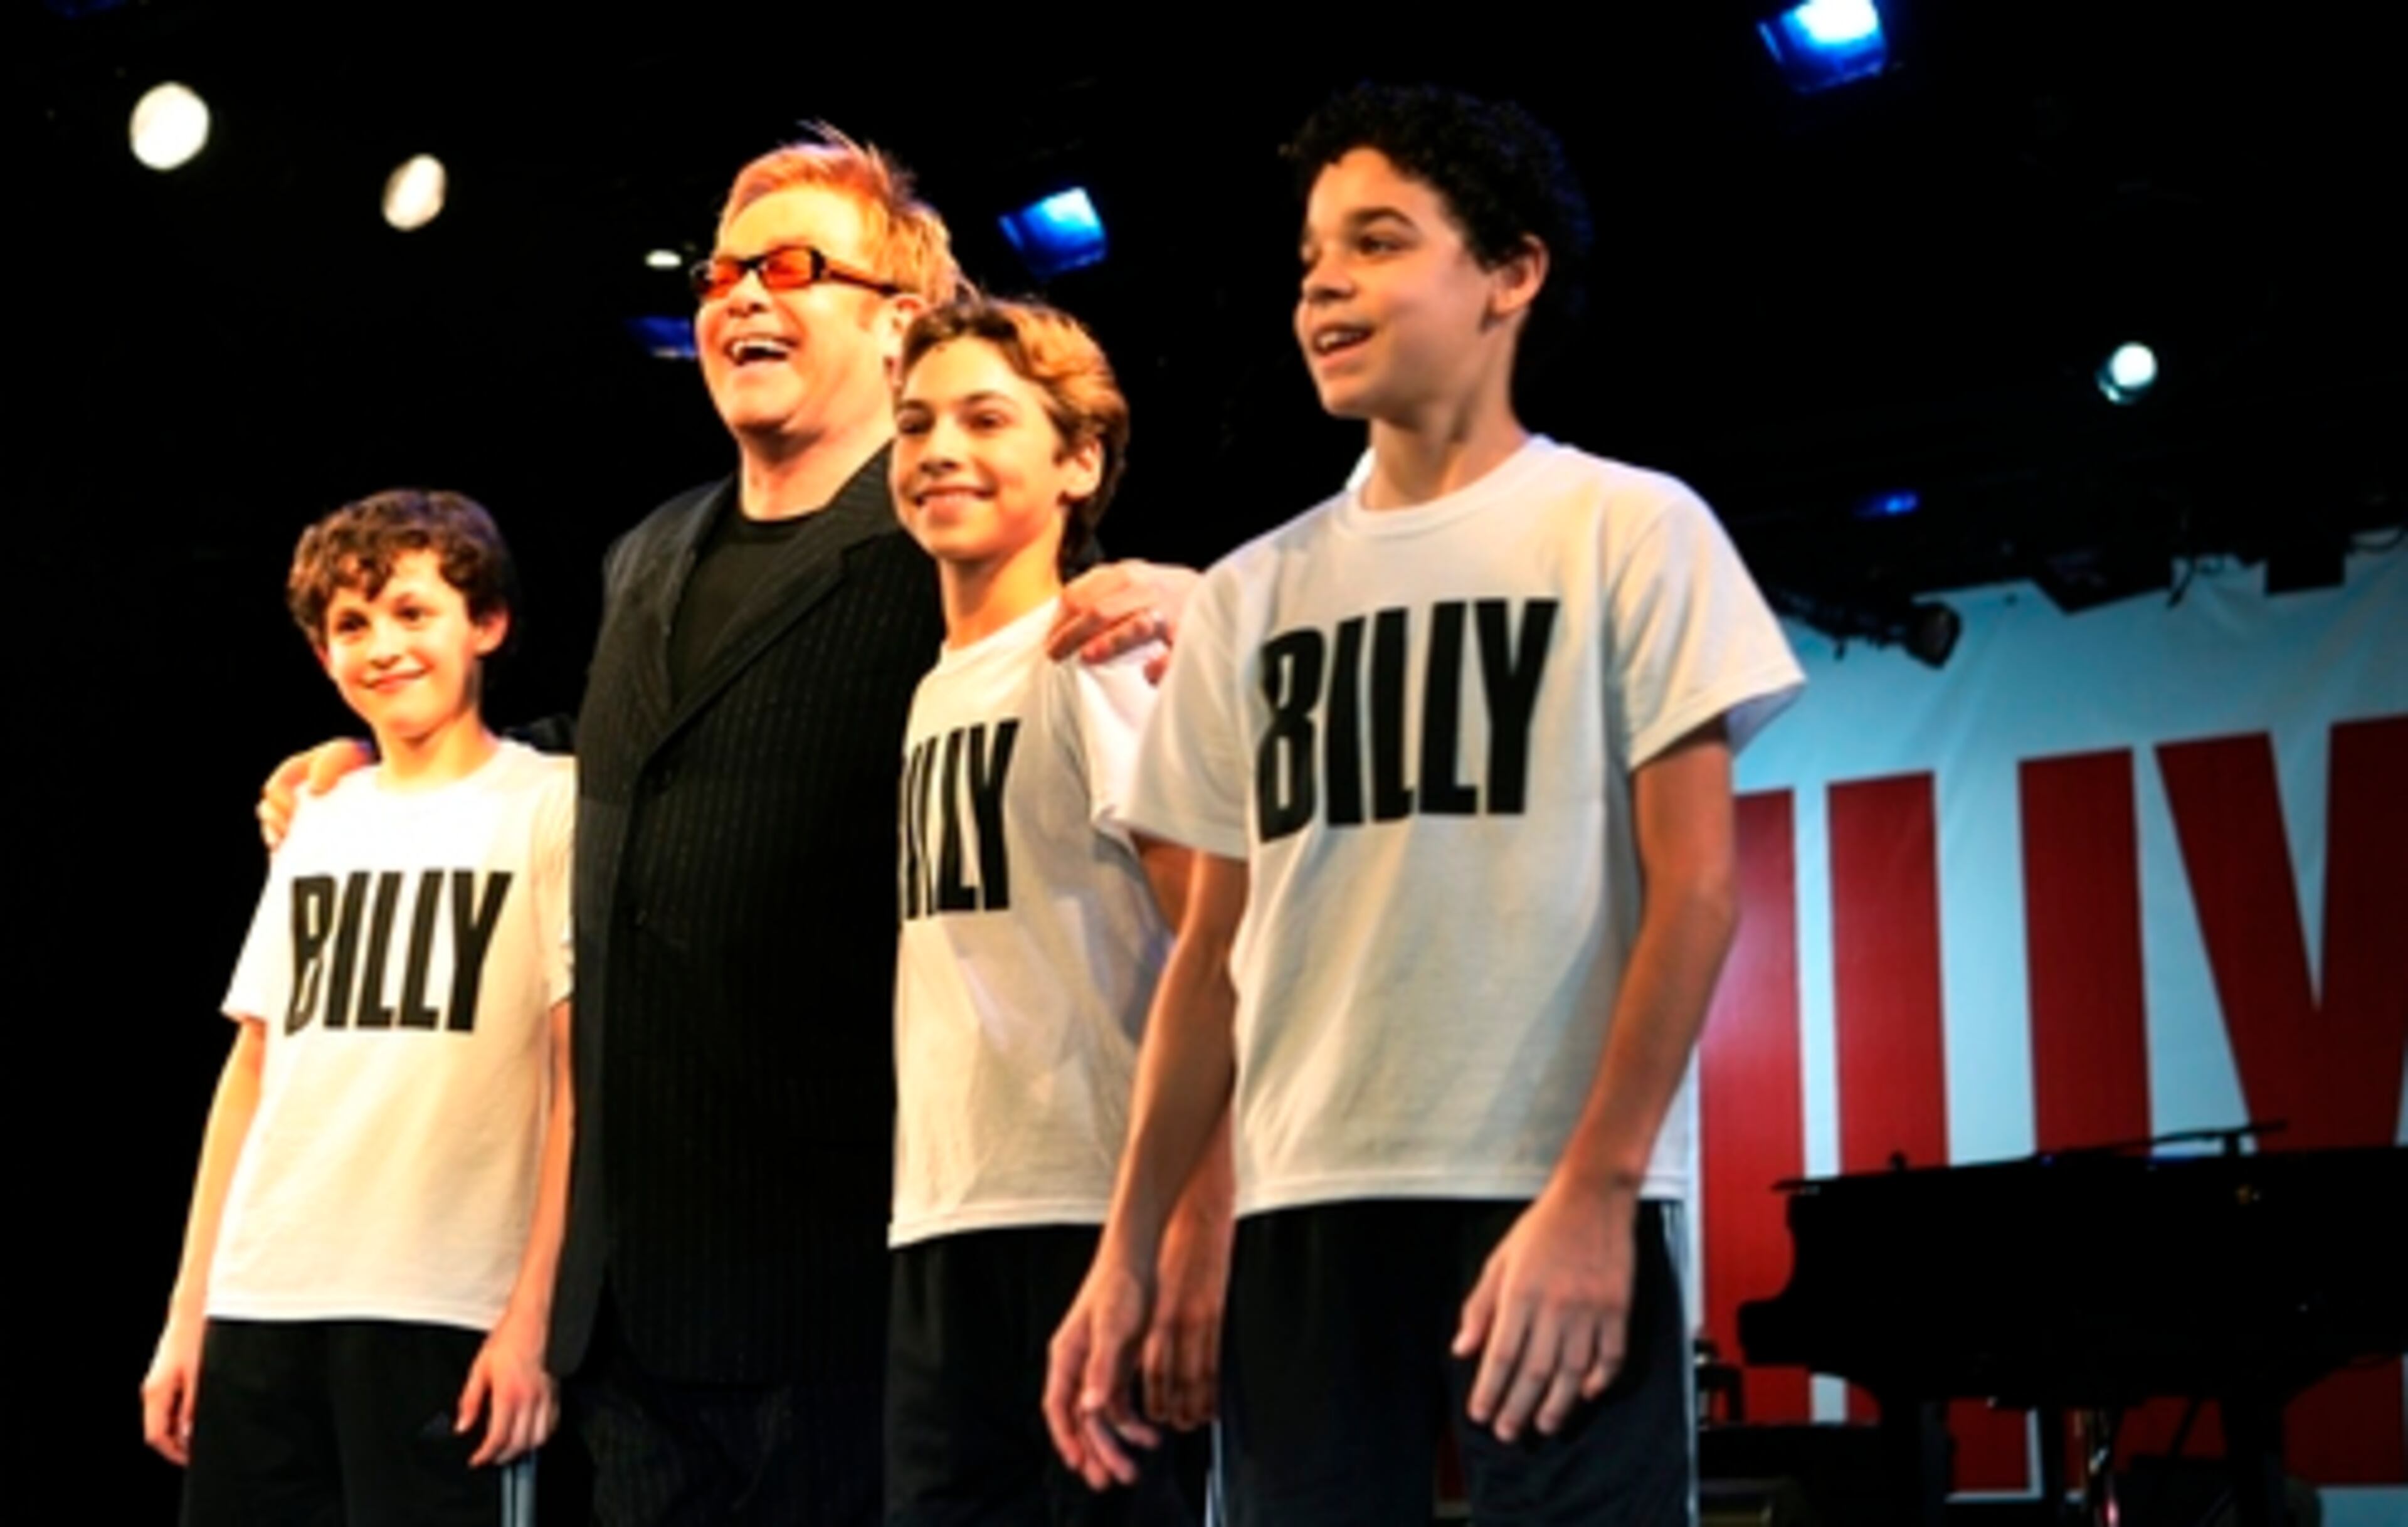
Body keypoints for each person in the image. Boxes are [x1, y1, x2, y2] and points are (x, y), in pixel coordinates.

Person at [265, 128, 1190, 1527]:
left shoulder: (949, 546)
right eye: (722, 270)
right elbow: (616, 769)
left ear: (903, 331)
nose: (741, 295)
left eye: (795, 266)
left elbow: (1090, 641)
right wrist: (391, 754)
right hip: (638, 1300)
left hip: (850, 1272)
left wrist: (1203, 600)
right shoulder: (648, 553)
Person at [1043, 84, 1805, 1526]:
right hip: (1300, 1211)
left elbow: (1696, 890)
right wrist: (1129, 1248)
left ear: (1511, 273)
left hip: (1549, 1185)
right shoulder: (1254, 593)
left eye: (1380, 241)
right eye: (1313, 255)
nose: (1325, 279)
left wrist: (1597, 1192)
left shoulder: (1630, 530)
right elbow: (1208, 958)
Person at [144, 488, 576, 1527]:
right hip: (265, 1299)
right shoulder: (319, 817)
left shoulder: (555, 805)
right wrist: (188, 1313)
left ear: (488, 624)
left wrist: (534, 1324)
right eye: (351, 624)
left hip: (444, 1307)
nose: (383, 646)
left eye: (414, 613)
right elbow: (253, 1072)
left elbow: (577, 1082)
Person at [884, 297, 1224, 1526]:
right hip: (945, 1213)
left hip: (1093, 1213)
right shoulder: (928, 691)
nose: (940, 450)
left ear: (1078, 461)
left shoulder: (1107, 653)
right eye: (915, 423)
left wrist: (1193, 1228)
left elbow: (1219, 948)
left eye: (986, 418)